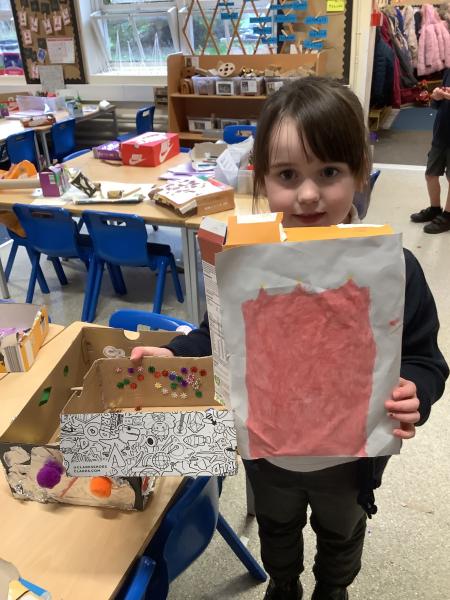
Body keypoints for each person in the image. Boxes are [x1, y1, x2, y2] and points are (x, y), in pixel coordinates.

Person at [131, 78, 449, 600]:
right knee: (278, 529)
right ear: (261, 180)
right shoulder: (244, 262)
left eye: (329, 172)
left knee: (341, 531)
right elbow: (217, 334)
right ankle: (283, 585)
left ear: (360, 174)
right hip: (268, 452)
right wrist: (173, 353)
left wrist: (416, 388)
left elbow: (423, 357)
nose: (307, 194)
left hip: (349, 459)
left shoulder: (392, 268)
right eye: (287, 175)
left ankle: (333, 589)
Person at [410, 69, 450, 233]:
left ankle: (448, 216)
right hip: (441, 134)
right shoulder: (448, 72)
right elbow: (437, 105)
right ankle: (435, 208)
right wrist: (436, 97)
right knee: (431, 174)